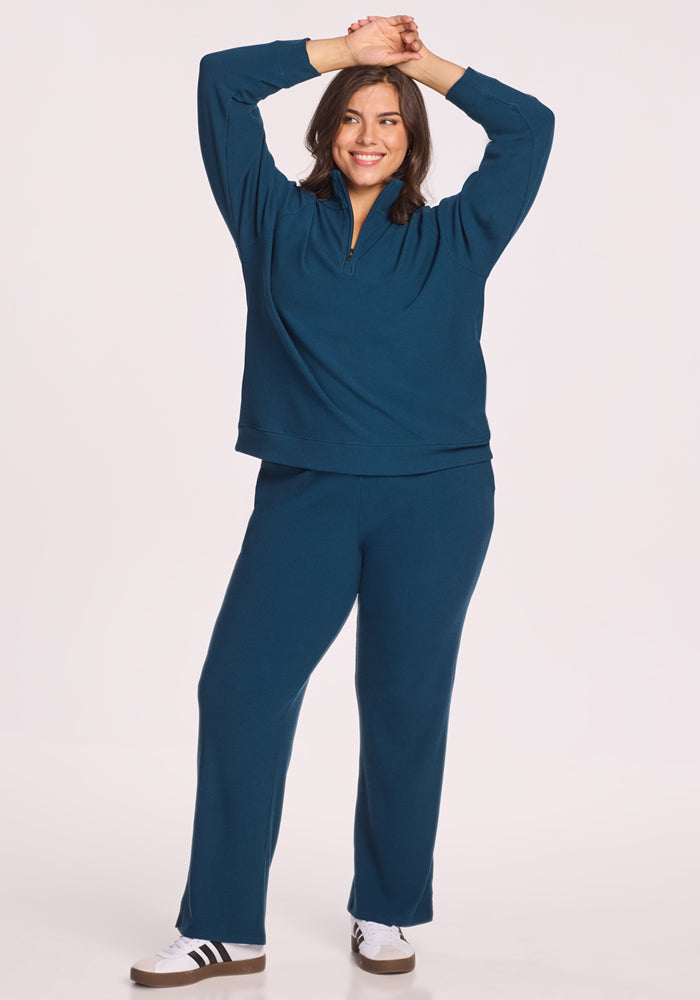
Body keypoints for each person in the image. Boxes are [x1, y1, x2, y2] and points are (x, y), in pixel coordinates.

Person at [130, 13, 555, 987]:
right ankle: (225, 926)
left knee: (404, 700)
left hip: (438, 497)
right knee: (239, 691)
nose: (369, 135)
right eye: (353, 117)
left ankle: (388, 907)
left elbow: (529, 125)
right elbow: (220, 80)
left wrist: (421, 64)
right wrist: (347, 52)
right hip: (306, 495)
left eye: (389, 121)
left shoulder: (456, 234)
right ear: (325, 131)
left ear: (413, 140)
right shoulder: (270, 216)